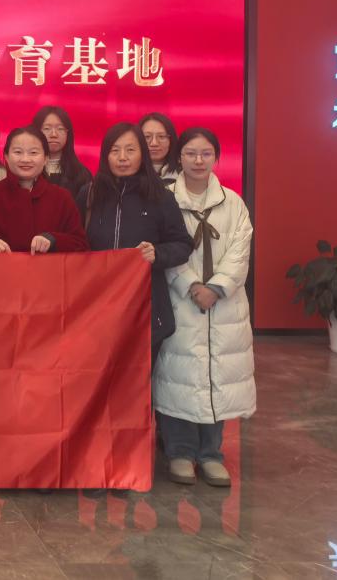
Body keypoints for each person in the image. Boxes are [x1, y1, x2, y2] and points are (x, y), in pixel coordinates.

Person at [154, 128, 254, 488]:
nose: (198, 160)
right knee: (178, 375)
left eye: (206, 153)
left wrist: (216, 287)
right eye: (191, 153)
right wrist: (191, 285)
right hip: (180, 300)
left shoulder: (233, 202)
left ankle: (211, 454)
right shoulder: (164, 199)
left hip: (224, 305)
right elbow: (162, 248)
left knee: (217, 376)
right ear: (179, 157)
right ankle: (179, 452)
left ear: (216, 157)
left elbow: (240, 251)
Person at [78, 123, 192, 362]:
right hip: (96, 307)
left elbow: (183, 244)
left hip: (145, 309)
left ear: (142, 154)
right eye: (115, 150)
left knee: (138, 381)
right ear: (105, 155)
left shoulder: (160, 196)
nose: (122, 157)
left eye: (130, 150)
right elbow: (75, 242)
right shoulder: (89, 194)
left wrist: (157, 253)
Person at [0, 126, 88, 254]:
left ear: (45, 158)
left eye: (33, 153)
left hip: (47, 267)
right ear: (6, 157)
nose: (25, 159)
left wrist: (53, 240)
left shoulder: (62, 198)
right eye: (18, 152)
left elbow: (81, 244)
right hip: (1, 267)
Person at [32, 105, 92, 202]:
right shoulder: (26, 170)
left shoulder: (81, 174)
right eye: (47, 128)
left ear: (68, 134)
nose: (54, 134)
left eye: (60, 129)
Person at [140, 112, 183, 186]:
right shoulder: (128, 172)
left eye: (161, 136)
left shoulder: (185, 173)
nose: (154, 143)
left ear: (171, 140)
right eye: (147, 137)